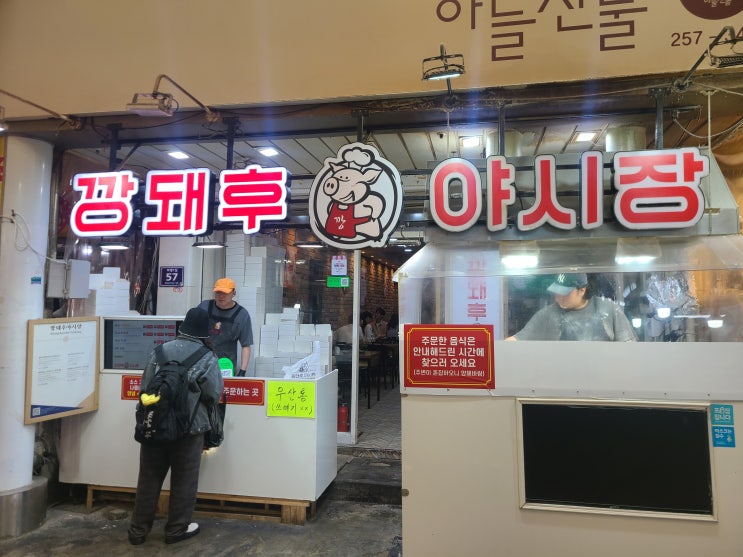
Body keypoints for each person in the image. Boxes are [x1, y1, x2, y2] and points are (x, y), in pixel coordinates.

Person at [128, 307, 223, 545]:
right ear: (205, 332)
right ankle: (176, 530)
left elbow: (145, 387)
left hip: (154, 425)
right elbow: (213, 394)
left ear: (182, 328)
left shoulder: (159, 351)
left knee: (148, 479)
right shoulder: (207, 357)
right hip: (189, 429)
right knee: (184, 482)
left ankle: (138, 531)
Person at [506, 273, 636, 341]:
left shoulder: (609, 310)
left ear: (582, 290)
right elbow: (517, 340)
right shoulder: (547, 315)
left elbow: (628, 348)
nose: (557, 298)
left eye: (564, 294)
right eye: (556, 292)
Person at [198, 278, 253, 377]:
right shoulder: (204, 307)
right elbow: (191, 333)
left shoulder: (242, 315)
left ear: (234, 293)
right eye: (218, 292)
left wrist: (242, 371)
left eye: (225, 293)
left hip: (226, 364)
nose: (221, 296)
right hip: (202, 361)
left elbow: (246, 345)